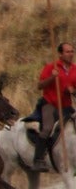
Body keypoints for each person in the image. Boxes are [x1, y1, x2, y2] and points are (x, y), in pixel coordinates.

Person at [33, 42, 76, 171]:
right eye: (68, 52)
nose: (71, 54)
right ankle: (38, 159)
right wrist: (52, 77)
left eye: (72, 51)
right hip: (50, 103)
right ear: (60, 54)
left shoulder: (75, 69)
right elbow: (40, 85)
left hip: (66, 105)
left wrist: (72, 91)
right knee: (47, 128)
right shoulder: (51, 67)